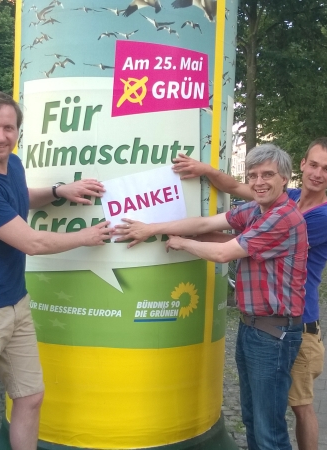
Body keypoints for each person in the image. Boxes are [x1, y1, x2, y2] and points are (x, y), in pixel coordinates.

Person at [0, 91, 112, 450]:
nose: (1, 136)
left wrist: (57, 191)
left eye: (9, 127)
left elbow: (19, 197)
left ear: (18, 131)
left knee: (30, 396)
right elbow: (30, 242)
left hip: (14, 303)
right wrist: (84, 237)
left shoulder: (13, 164)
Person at [115, 144, 308, 450]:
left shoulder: (282, 216)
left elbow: (221, 253)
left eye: (268, 174)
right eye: (254, 175)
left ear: (284, 178)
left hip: (273, 332)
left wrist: (181, 243)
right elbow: (205, 224)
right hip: (254, 327)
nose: (259, 182)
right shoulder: (257, 210)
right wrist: (153, 228)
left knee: (268, 427)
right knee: (252, 418)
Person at [168, 137, 327, 450]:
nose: (318, 173)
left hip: (298, 325)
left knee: (296, 411)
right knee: (258, 416)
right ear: (301, 165)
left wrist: (190, 237)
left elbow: (244, 243)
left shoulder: (316, 217)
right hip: (262, 321)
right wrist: (206, 169)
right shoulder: (283, 194)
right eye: (314, 164)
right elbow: (238, 189)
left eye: (326, 169)